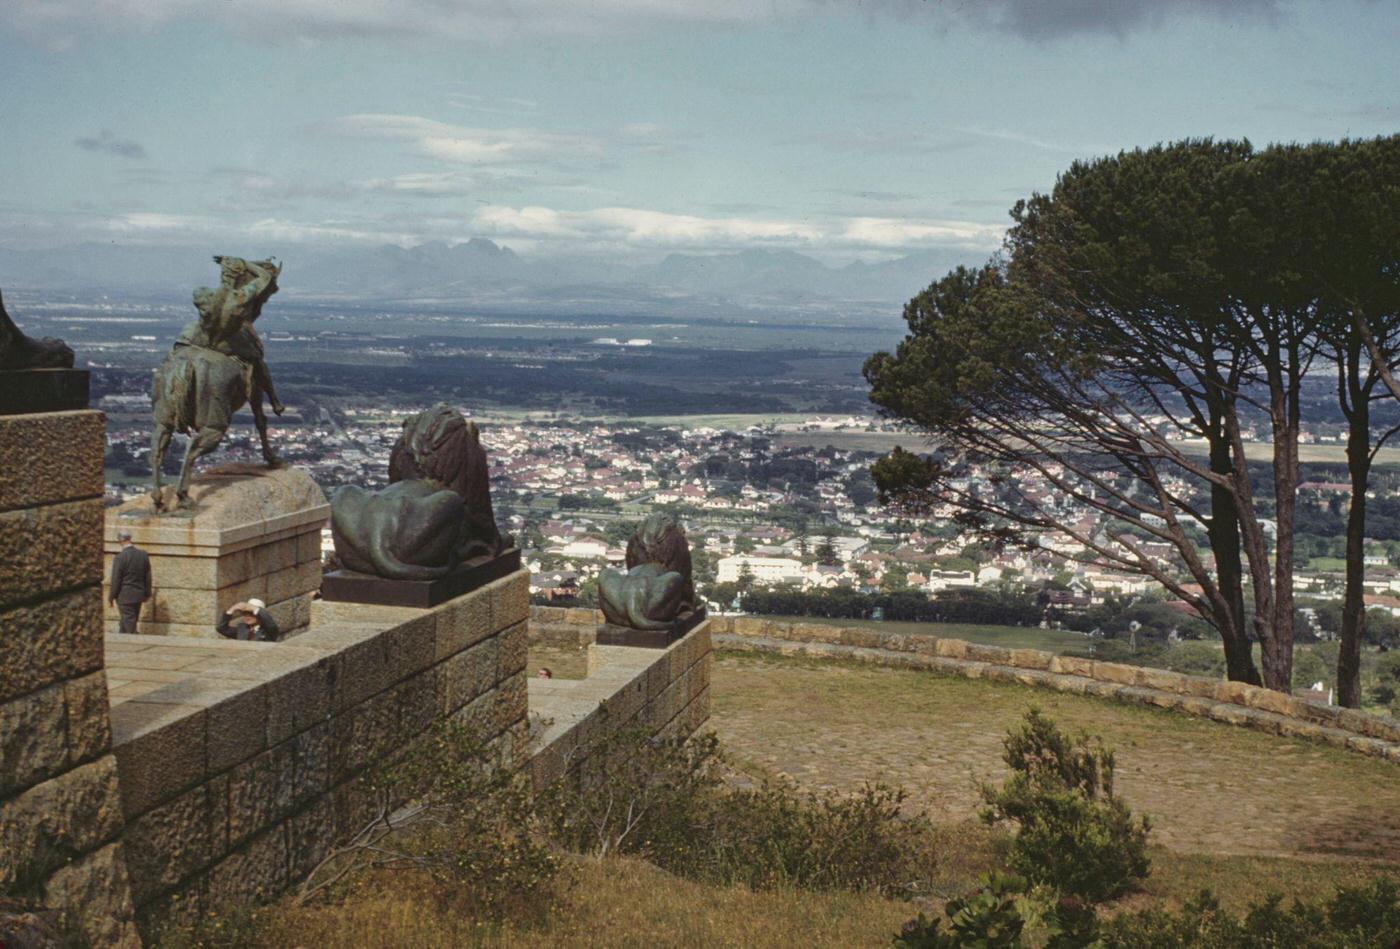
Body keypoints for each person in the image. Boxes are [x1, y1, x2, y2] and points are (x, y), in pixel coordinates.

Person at [108, 528, 151, 634]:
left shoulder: (120, 557)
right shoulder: (143, 555)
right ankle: (123, 643)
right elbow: (148, 576)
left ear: (120, 540)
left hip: (125, 596)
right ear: (130, 538)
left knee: (128, 623)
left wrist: (111, 597)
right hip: (139, 594)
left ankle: (133, 643)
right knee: (127, 621)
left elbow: (116, 579)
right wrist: (147, 593)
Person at [216, 597, 281, 642]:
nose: (247, 616)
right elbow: (221, 628)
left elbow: (269, 622)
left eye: (251, 614)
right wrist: (231, 610)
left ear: (259, 615)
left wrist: (253, 608)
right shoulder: (242, 628)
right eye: (245, 613)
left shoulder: (268, 630)